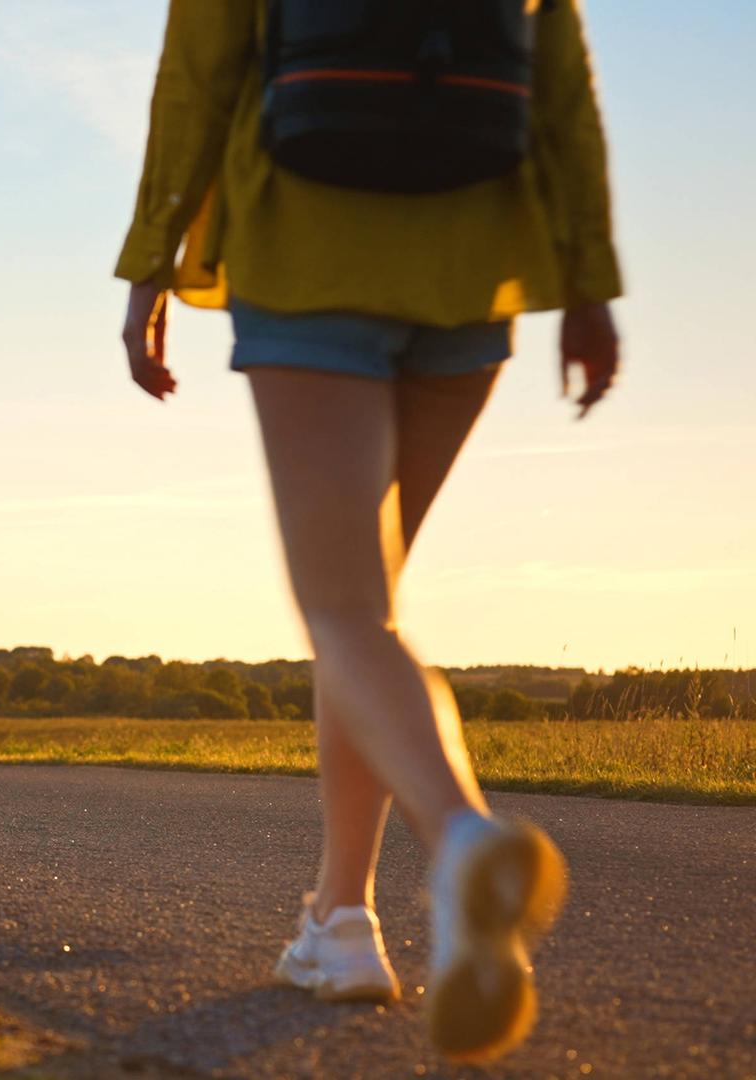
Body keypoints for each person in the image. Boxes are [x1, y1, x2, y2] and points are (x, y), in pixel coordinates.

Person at [114, 0, 621, 1065]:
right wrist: (585, 283)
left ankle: (463, 838)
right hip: (473, 266)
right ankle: (342, 924)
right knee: (367, 615)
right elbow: (565, 86)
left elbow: (197, 75)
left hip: (307, 249)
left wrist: (152, 260)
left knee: (343, 612)